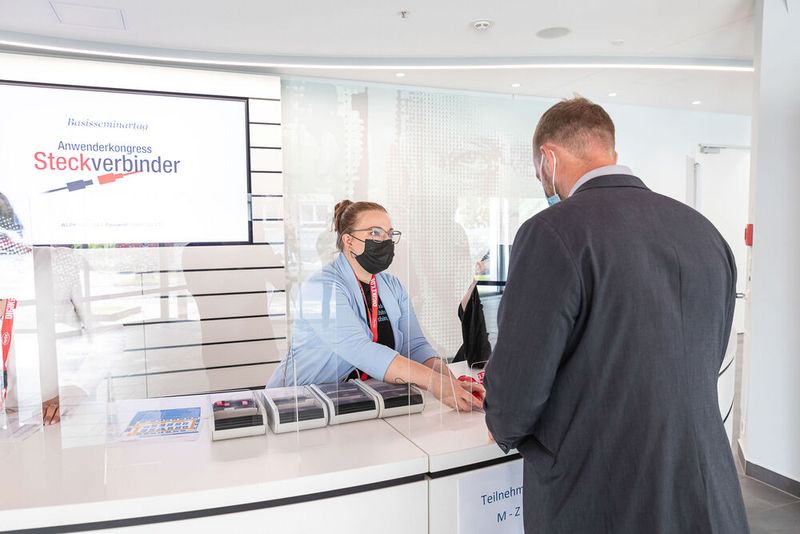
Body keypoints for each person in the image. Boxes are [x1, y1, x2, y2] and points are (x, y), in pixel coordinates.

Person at [483, 98, 748, 533]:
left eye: (537, 172)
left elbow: (518, 384)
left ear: (548, 158)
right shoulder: (704, 230)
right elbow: (706, 355)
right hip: (706, 488)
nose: (542, 182)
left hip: (602, 493)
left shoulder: (551, 232)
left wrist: (502, 424)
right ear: (611, 152)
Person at [267, 200, 484, 411]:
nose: (385, 240)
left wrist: (451, 382)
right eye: (374, 233)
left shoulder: (392, 286)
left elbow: (415, 346)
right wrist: (435, 383)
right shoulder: (321, 288)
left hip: (361, 401)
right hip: (301, 404)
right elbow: (361, 350)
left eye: (389, 234)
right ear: (348, 241)